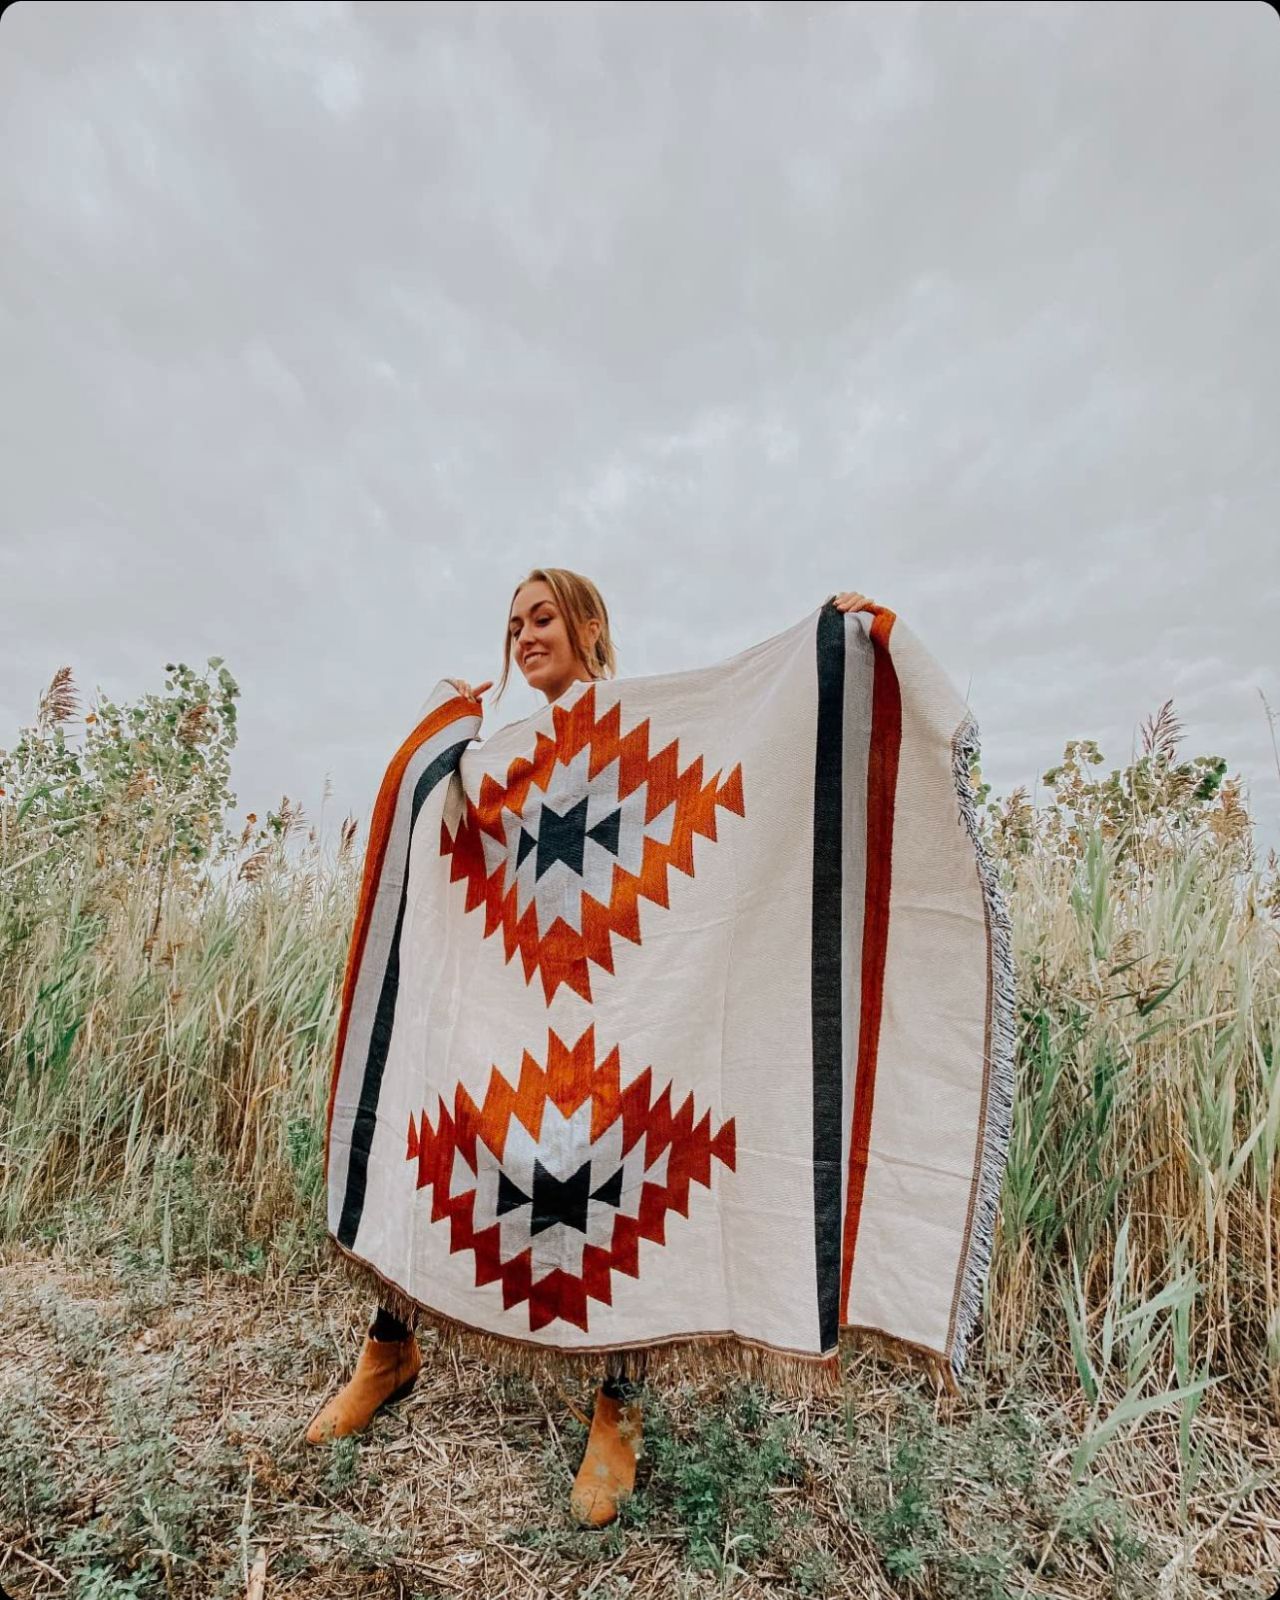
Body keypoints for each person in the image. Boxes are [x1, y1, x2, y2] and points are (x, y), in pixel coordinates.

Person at [306, 568, 874, 1526]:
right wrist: (442, 734)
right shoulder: (508, 759)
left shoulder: (645, 725)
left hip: (633, 1017)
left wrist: (831, 646)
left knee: (630, 1175)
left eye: (543, 618)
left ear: (589, 625)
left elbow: (735, 768)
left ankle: (621, 1408)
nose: (524, 636)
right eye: (513, 625)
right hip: (520, 1016)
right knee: (437, 1126)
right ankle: (390, 1347)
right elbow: (449, 828)